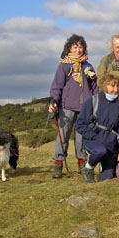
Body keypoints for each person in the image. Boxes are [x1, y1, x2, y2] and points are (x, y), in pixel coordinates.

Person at [48, 34, 98, 179]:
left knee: (81, 137)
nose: (78, 50)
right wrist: (54, 101)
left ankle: (82, 164)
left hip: (85, 108)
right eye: (75, 47)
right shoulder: (64, 65)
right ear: (69, 48)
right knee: (62, 137)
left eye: (80, 47)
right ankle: (58, 164)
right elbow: (57, 85)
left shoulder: (88, 66)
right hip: (66, 107)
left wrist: (96, 103)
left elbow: (95, 87)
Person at [75, 74, 119, 183]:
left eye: (117, 86)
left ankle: (102, 169)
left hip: (111, 145)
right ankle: (89, 168)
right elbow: (80, 125)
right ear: (104, 86)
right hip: (93, 141)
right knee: (100, 150)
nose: (115, 89)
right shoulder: (93, 101)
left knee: (107, 179)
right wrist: (94, 136)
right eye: (112, 86)